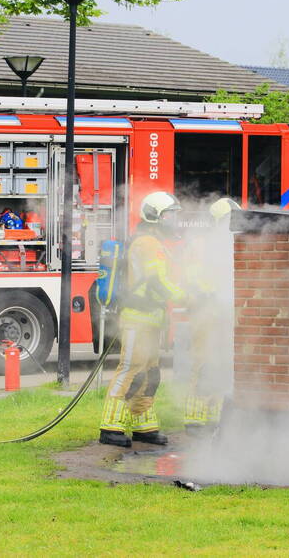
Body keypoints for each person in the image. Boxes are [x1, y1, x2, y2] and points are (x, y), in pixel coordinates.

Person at [99, 191, 187, 448]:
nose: (175, 220)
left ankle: (143, 424)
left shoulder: (154, 242)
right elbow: (158, 280)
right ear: (156, 217)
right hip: (137, 318)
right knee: (130, 368)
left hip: (150, 319)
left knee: (149, 373)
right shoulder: (147, 243)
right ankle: (110, 425)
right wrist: (188, 298)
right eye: (171, 215)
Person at [183, 197, 240, 435]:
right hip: (205, 313)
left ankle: (216, 416)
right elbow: (194, 279)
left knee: (222, 365)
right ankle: (195, 418)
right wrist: (210, 294)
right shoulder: (202, 245)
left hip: (223, 312)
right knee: (202, 365)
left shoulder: (228, 243)